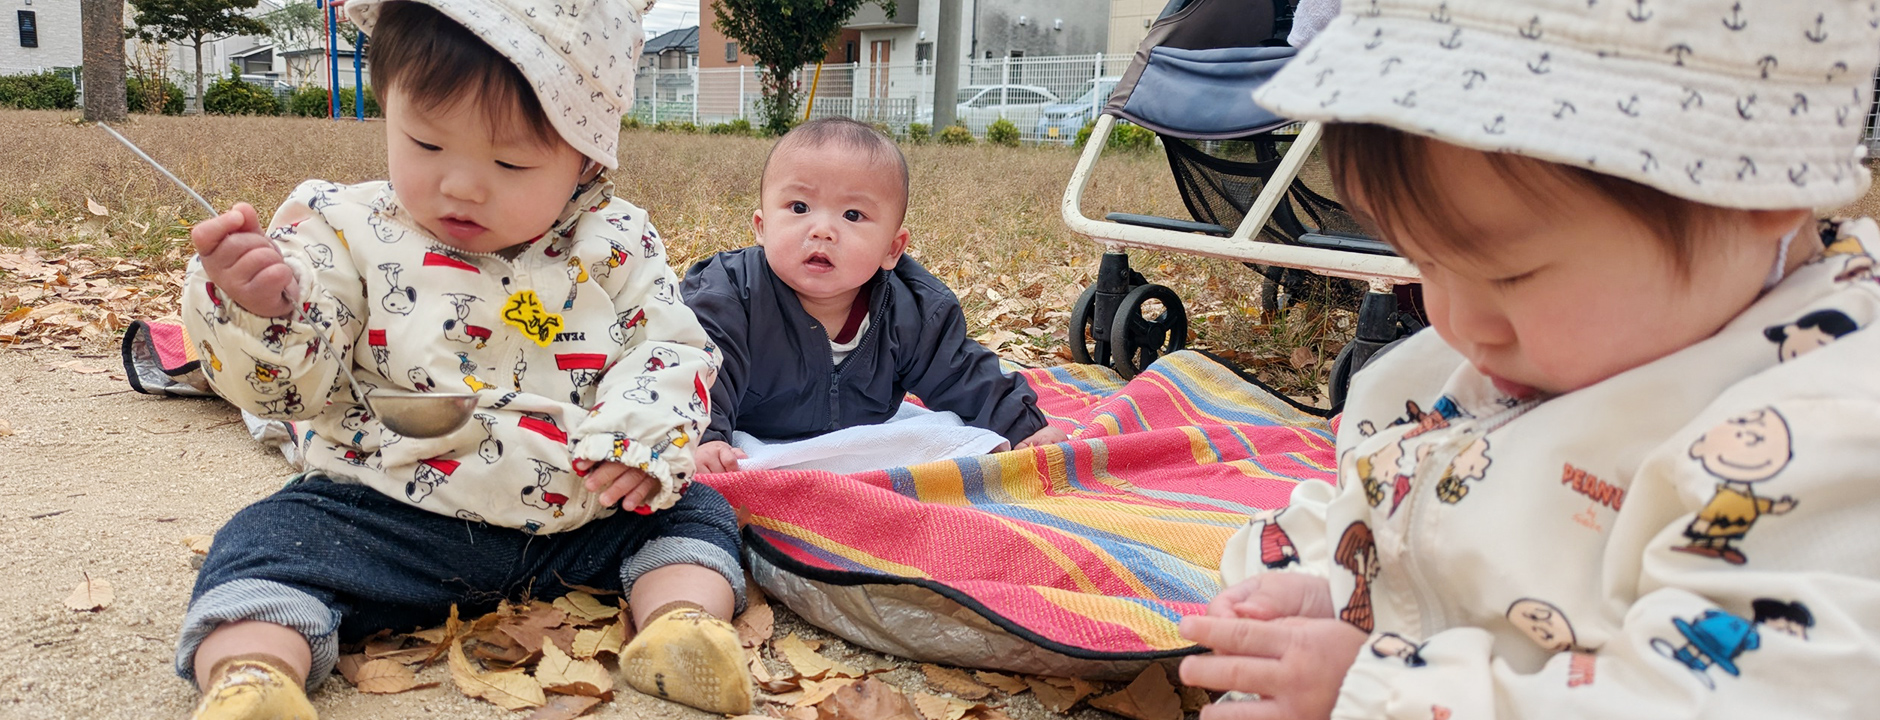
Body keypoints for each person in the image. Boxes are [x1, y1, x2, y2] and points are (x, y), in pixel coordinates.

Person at [1180, 1, 1880, 717]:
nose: (1456, 321)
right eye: (1423, 263)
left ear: (1759, 190)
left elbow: (1742, 693)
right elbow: (1415, 500)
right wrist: (1342, 593)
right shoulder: (1557, 346)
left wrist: (1378, 695)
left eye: (1509, 276)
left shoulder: (1821, 440)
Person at [175, 1, 754, 717]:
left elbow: (667, 348)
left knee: (694, 513)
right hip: (389, 513)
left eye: (510, 162)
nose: (460, 186)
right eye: (425, 142)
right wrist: (261, 310)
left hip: (581, 513)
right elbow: (288, 391)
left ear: (586, 160)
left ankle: (679, 626)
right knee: (265, 542)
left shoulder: (616, 243)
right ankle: (255, 672)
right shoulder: (341, 230)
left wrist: (637, 444)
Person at [680, 118, 1068, 473]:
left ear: (892, 249)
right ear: (762, 227)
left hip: (850, 450)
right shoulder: (729, 295)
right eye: (799, 207)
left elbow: (962, 373)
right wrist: (701, 437)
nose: (822, 230)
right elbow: (694, 369)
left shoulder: (913, 310)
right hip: (749, 434)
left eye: (852, 215)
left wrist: (1023, 426)